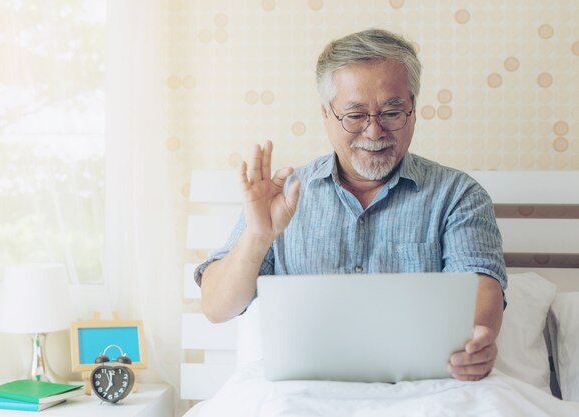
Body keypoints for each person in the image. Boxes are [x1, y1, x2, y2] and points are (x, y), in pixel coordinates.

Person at [194, 28, 506, 382]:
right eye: (355, 115)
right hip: (304, 395)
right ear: (326, 115)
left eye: (392, 112)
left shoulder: (458, 196)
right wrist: (258, 235)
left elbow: (480, 294)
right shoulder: (284, 196)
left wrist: (477, 343)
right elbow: (216, 308)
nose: (374, 132)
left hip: (429, 390)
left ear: (414, 110)